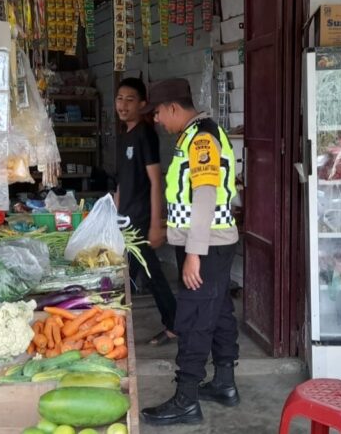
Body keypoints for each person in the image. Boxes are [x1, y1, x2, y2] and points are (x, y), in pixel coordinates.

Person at [139, 78, 240, 426]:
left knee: (194, 318)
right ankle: (224, 383)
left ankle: (186, 400)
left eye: (157, 112)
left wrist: (194, 253)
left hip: (206, 244)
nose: (156, 119)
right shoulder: (195, 135)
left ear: (173, 108)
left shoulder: (202, 140)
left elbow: (206, 195)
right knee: (219, 309)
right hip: (210, 243)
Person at [113, 78, 177, 346]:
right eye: (119, 99)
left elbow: (155, 181)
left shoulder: (145, 134)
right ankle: (116, 326)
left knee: (146, 274)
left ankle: (172, 324)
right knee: (139, 273)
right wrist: (114, 214)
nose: (123, 105)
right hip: (126, 218)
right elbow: (121, 181)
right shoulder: (124, 135)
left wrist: (155, 224)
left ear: (142, 104)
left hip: (141, 218)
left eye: (130, 100)